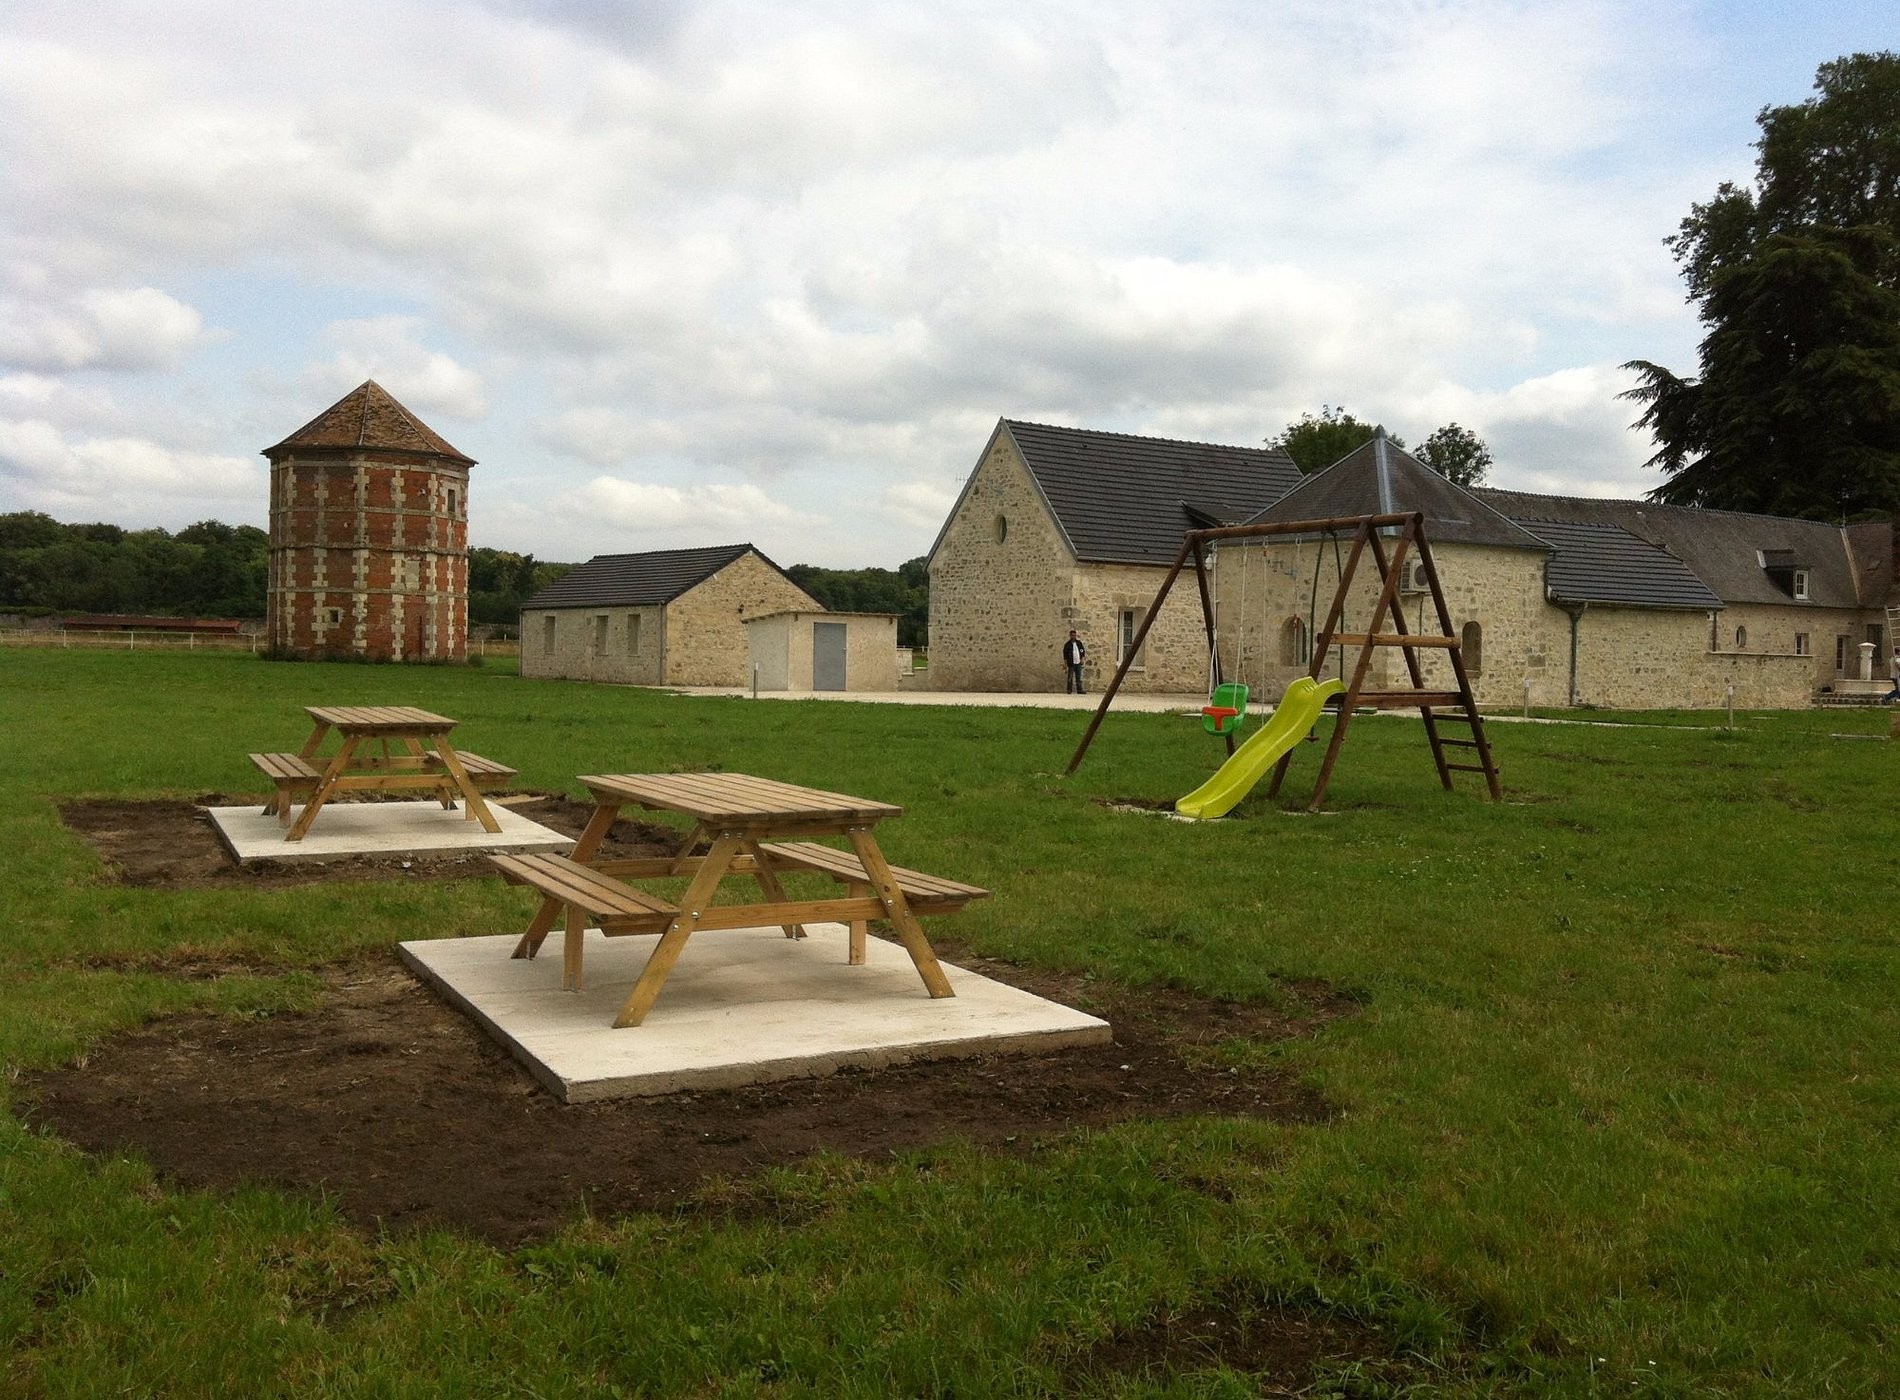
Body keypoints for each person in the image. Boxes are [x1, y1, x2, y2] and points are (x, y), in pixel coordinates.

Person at [1062, 629, 1087, 693]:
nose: (1074, 637)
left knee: (1078, 677)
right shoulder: (1067, 645)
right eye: (1072, 635)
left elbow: (1082, 651)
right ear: (1070, 636)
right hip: (1071, 663)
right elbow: (1065, 654)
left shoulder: (1079, 643)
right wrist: (1065, 663)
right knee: (1070, 677)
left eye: (1075, 635)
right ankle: (1069, 690)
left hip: (1078, 662)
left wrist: (1082, 658)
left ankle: (1079, 690)